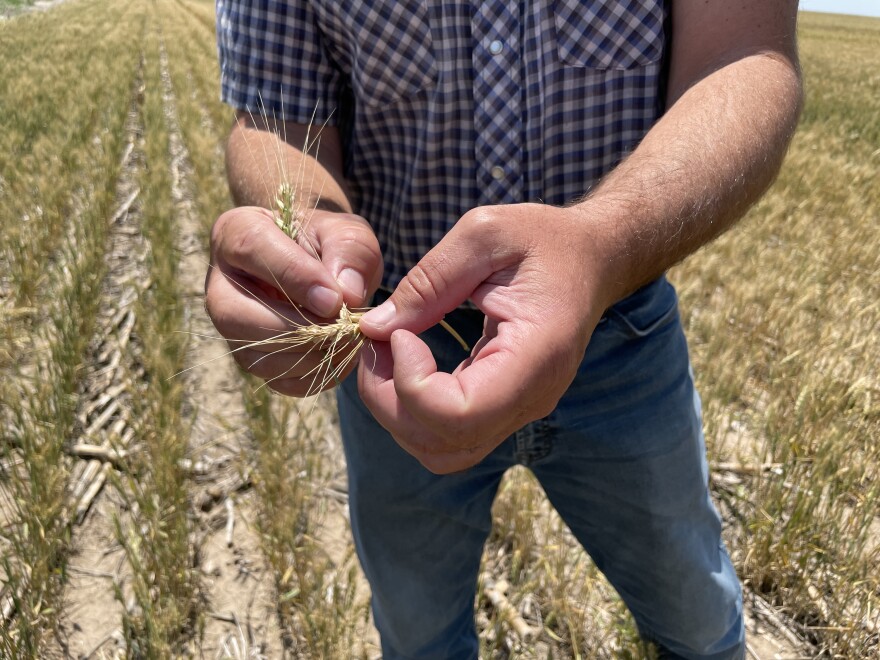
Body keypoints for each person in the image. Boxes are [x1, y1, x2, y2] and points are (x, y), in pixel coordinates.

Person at [209, 1, 802, 657]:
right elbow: (275, 118)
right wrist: (307, 235)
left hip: (621, 329)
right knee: (418, 635)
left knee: (698, 625)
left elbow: (745, 58)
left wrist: (601, 245)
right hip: (395, 354)